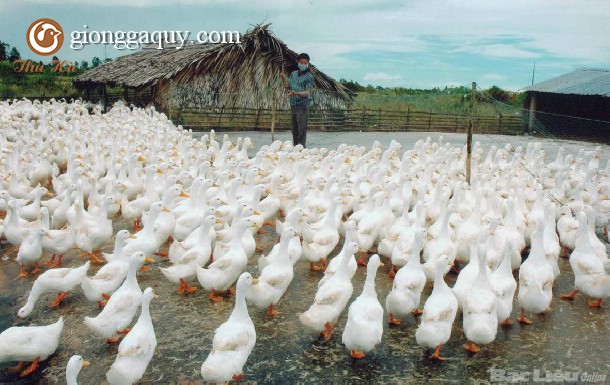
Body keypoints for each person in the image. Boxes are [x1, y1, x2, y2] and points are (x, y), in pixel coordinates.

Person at [281, 53, 314, 148]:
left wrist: (296, 93)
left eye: (305, 62)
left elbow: (307, 92)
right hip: (293, 105)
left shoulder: (309, 77)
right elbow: (287, 86)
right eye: (301, 62)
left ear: (308, 63)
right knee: (294, 129)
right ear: (298, 63)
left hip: (302, 105)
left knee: (301, 129)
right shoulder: (293, 74)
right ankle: (296, 148)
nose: (303, 64)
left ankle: (301, 148)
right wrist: (283, 78)